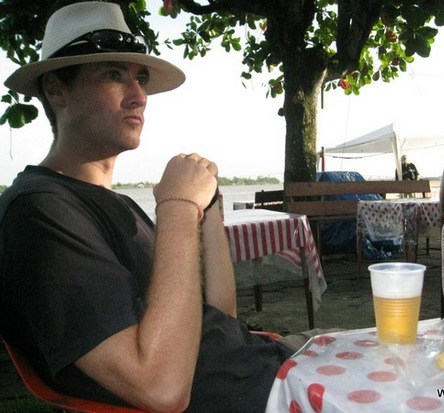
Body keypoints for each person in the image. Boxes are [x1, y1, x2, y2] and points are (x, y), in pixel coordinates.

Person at [0, 3, 325, 412]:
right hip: (271, 397)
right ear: (56, 89)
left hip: (271, 367)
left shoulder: (117, 206)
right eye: (113, 75)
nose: (139, 96)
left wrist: (206, 211)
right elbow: (161, 389)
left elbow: (218, 319)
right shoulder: (39, 213)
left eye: (140, 79)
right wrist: (176, 206)